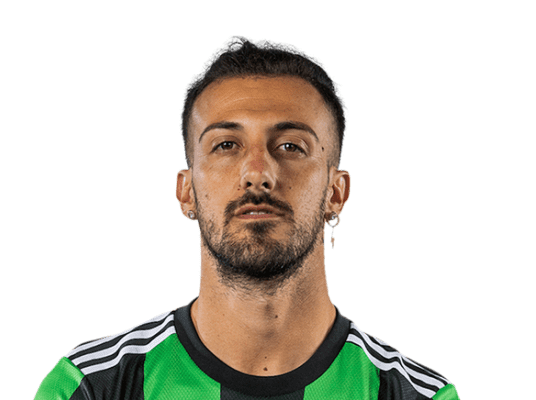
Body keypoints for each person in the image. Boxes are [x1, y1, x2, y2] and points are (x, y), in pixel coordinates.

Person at [35, 35, 461, 400]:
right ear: (186, 191)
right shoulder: (90, 388)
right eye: (226, 145)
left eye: (291, 146)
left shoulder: (416, 395)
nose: (257, 172)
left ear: (336, 193)